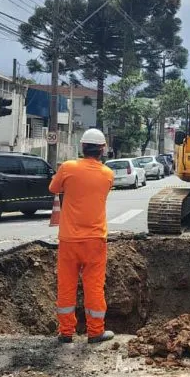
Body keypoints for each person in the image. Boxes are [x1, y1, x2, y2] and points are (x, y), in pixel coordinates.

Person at [48, 128, 115, 344]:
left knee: (66, 285)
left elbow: (53, 187)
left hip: (69, 239)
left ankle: (66, 332)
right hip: (95, 240)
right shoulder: (107, 174)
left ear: (82, 147)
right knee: (94, 286)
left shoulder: (68, 167)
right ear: (102, 149)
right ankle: (95, 332)